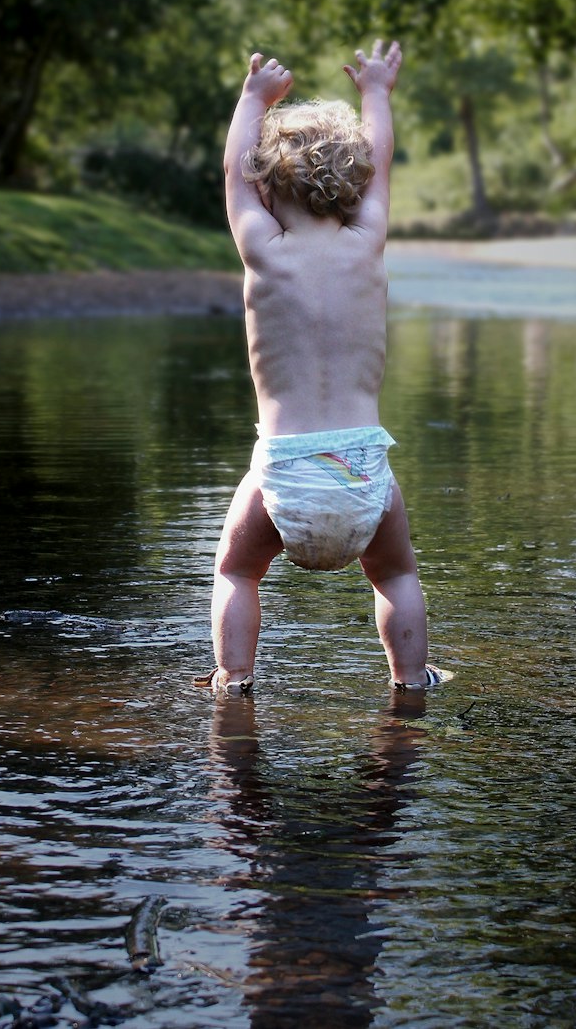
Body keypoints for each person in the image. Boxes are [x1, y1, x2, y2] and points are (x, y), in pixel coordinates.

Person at [196, 39, 448, 696]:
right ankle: (410, 677)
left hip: (286, 467)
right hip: (364, 465)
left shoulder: (263, 249)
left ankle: (234, 678)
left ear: (266, 188)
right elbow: (384, 159)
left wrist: (253, 99)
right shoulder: (368, 243)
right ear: (358, 184)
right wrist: (376, 93)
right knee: (396, 575)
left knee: (236, 571)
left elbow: (230, 173)